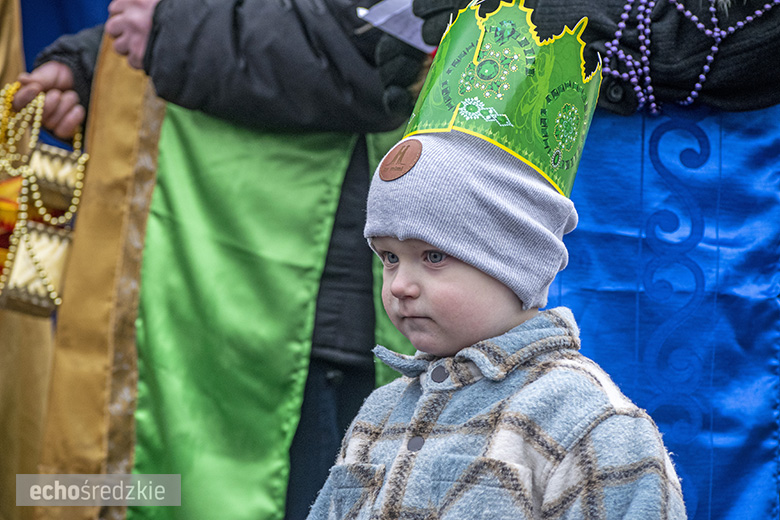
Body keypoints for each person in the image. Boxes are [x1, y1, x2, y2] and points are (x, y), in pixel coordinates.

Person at [11, 0, 418, 518]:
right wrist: (99, 63)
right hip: (158, 315)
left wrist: (170, 36)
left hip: (286, 335)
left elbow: (393, 39)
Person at [307, 2, 686, 518]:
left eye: (433, 256)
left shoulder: (595, 426)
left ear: (516, 259)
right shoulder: (379, 414)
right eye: (390, 257)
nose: (399, 285)